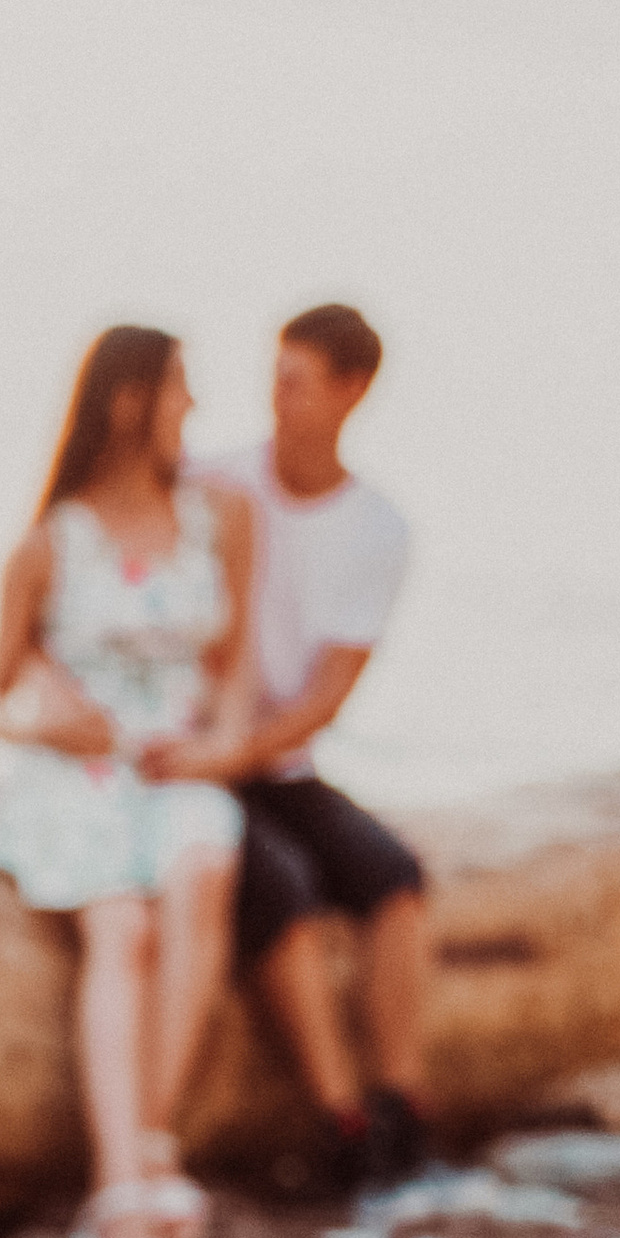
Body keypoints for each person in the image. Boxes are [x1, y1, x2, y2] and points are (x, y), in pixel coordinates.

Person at [0, 324, 255, 1238]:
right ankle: (120, 1195)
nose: (192, 407)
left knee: (201, 867)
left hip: (175, 760)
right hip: (79, 767)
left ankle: (146, 1140)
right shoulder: (51, 543)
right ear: (130, 400)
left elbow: (233, 673)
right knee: (122, 925)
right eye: (180, 387)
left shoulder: (217, 521)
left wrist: (220, 752)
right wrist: (57, 726)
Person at [197, 305, 432, 1193]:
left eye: (295, 382)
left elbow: (329, 691)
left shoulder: (377, 529)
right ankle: (341, 1120)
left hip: (276, 760)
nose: (276, 399)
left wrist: (244, 751)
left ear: (351, 390)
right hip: (203, 759)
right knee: (283, 896)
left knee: (396, 879)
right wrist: (209, 755)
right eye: (274, 376)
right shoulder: (215, 480)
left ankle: (401, 1101)